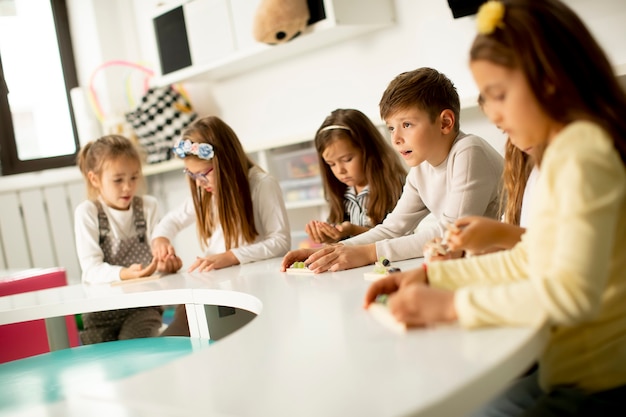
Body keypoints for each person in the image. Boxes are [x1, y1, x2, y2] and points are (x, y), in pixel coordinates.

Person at [364, 1, 626, 416]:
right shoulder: (565, 153)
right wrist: (434, 277)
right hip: (569, 372)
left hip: (600, 385)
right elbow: (532, 256)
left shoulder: (584, 155)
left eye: (499, 95)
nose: (494, 114)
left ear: (551, 81)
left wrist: (452, 306)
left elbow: (573, 296)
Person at [281, 67, 504, 273]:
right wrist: (330, 251)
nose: (396, 139)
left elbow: (453, 233)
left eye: (406, 124)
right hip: (477, 263)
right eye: (391, 128)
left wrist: (369, 253)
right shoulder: (420, 170)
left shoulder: (468, 150)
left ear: (445, 122)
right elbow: (392, 228)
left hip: (508, 262)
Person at [152, 115, 291, 335]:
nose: (198, 182)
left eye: (203, 174)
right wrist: (161, 239)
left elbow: (280, 242)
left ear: (225, 163)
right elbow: (171, 221)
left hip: (252, 289)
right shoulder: (205, 191)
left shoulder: (262, 185)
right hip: (217, 284)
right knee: (182, 329)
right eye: (191, 174)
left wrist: (230, 256)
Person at [74, 134, 182, 344]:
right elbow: (91, 269)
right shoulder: (87, 212)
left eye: (134, 177)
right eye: (118, 180)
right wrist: (125, 274)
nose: (128, 187)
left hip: (142, 307)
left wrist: (167, 264)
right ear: (95, 179)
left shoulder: (148, 207)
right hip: (100, 313)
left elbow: (157, 262)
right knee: (107, 365)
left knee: (136, 350)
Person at [304, 108, 406, 244]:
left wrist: (352, 230)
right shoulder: (342, 194)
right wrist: (331, 237)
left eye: (347, 160)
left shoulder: (397, 186)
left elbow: (399, 238)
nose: (340, 170)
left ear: (369, 150)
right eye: (331, 164)